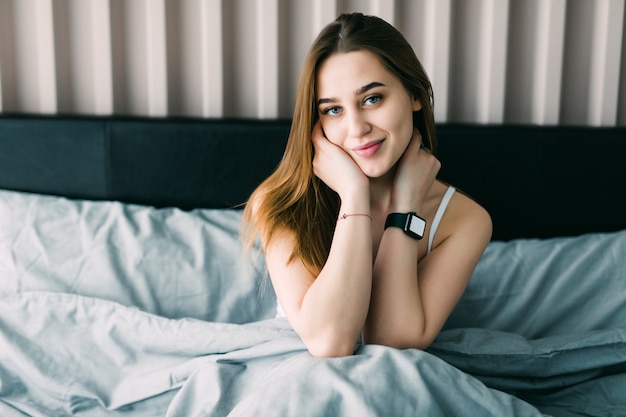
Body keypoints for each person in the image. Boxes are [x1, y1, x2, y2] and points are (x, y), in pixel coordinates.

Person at [242, 12, 492, 358]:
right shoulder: (281, 201)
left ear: (415, 95)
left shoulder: (465, 220)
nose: (356, 128)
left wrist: (406, 206)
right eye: (333, 110)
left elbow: (389, 343)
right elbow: (331, 341)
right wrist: (353, 195)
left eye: (372, 99)